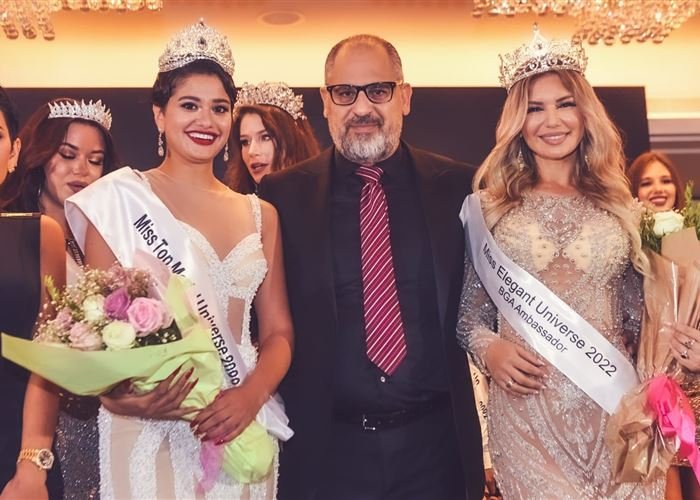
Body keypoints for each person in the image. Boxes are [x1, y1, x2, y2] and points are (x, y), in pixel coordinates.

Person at [58, 21, 292, 499]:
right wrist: (124, 398)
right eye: (189, 105)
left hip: (239, 421)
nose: (206, 120)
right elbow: (95, 333)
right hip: (151, 425)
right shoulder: (120, 201)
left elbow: (279, 332)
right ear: (159, 115)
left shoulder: (261, 214)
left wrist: (251, 396)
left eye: (219, 108)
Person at [259, 34, 484, 500]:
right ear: (325, 101)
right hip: (327, 455)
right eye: (345, 93)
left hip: (435, 451)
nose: (361, 108)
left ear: (405, 97)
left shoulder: (459, 187)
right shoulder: (282, 196)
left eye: (378, 90)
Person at [456, 27, 664, 498]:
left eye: (564, 104)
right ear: (517, 121)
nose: (551, 121)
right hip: (528, 412)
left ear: (585, 113)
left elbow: (640, 320)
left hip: (617, 408)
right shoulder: (489, 209)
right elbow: (469, 316)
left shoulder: (622, 208)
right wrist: (491, 349)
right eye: (534, 108)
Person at [0, 98, 119, 499]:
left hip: (90, 415)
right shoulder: (22, 233)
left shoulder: (104, 244)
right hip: (41, 416)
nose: (80, 169)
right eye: (67, 155)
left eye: (95, 160)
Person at [0, 88, 66, 499]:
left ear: (14, 152)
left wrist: (32, 464)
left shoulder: (40, 234)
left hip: (16, 459)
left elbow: (49, 357)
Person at [628, 151, 696, 500]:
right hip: (649, 389)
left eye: (666, 180)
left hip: (695, 379)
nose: (658, 189)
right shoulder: (624, 248)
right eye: (646, 182)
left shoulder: (694, 238)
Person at [225, 81, 319, 194]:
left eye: (265, 137)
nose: (251, 151)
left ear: (292, 140)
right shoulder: (236, 203)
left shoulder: (324, 198)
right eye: (245, 142)